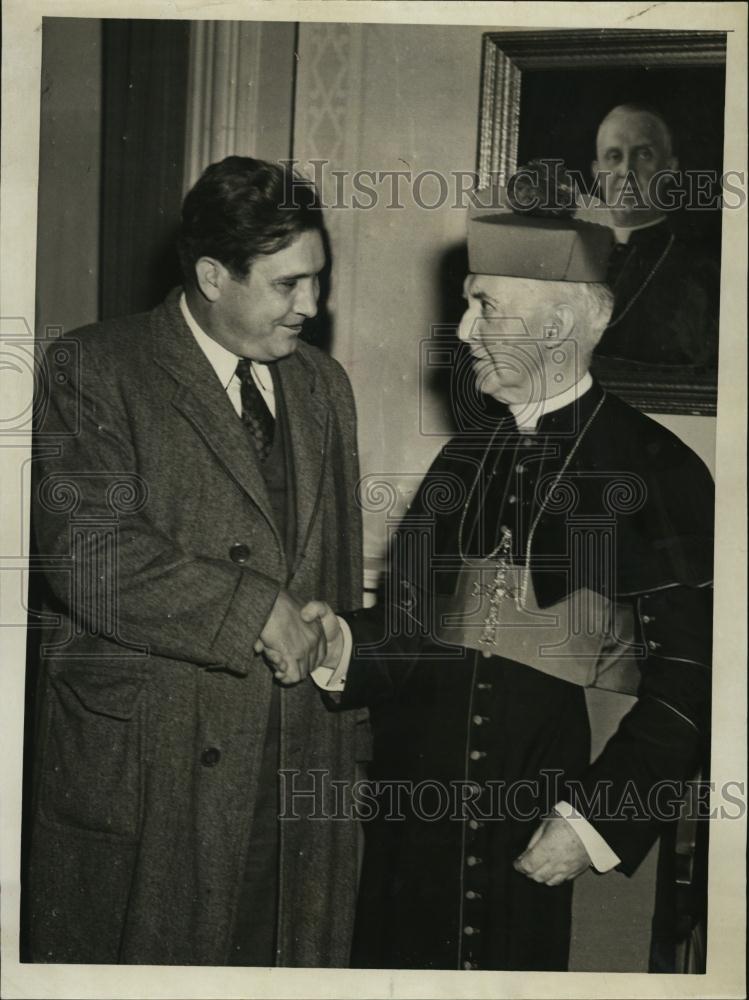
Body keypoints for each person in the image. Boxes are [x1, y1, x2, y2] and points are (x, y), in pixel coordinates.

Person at [282, 191, 714, 971]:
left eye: (484, 306)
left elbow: (694, 677)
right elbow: (412, 632)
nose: (464, 331)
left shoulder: (659, 469)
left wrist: (593, 823)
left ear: (554, 325)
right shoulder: (460, 461)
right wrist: (336, 637)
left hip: (552, 831)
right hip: (420, 836)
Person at [25, 156, 364, 966]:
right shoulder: (95, 368)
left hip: (292, 773)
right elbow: (86, 553)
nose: (310, 308)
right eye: (286, 285)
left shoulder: (323, 386)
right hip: (154, 778)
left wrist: (336, 641)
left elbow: (338, 567)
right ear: (213, 276)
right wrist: (250, 611)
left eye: (317, 280)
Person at [590, 103, 719, 367]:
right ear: (596, 171)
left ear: (670, 168)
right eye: (613, 156)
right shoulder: (570, 256)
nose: (626, 171)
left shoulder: (705, 272)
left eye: (643, 154)